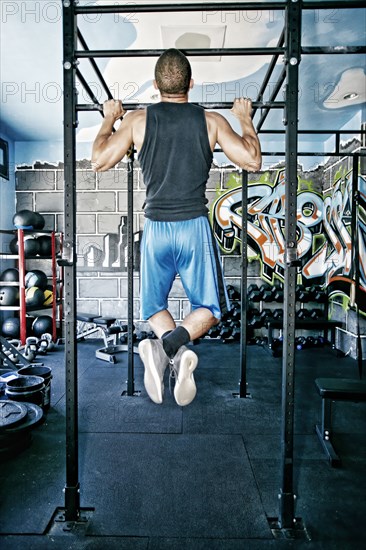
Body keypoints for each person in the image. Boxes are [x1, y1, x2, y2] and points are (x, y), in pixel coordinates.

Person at [92, 48, 261, 407]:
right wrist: (245, 117)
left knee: (153, 307)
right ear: (191, 85)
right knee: (210, 310)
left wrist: (110, 118)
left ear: (156, 86)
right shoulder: (211, 120)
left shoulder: (137, 120)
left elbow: (99, 161)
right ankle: (172, 348)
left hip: (155, 227)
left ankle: (166, 347)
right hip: (192, 227)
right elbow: (252, 160)